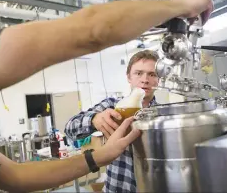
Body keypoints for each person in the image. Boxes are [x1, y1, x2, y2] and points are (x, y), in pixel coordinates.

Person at [0, 0, 213, 192]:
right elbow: (93, 30)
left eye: (152, 75)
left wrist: (99, 156)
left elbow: (16, 177)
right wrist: (182, 5)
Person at [65, 49, 160, 192]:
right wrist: (93, 119)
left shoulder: (164, 115)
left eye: (152, 74)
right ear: (129, 77)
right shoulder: (111, 106)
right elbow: (70, 128)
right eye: (138, 73)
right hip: (116, 187)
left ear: (159, 80)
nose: (145, 80)